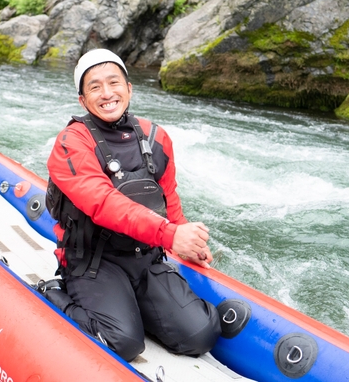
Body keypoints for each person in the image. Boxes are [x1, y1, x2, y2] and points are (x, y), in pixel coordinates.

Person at [42, 48, 221, 362]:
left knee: (200, 335)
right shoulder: (71, 143)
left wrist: (186, 243)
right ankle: (56, 292)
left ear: (129, 89)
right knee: (122, 341)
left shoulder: (156, 138)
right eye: (95, 87)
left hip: (145, 258)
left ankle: (135, 306)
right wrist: (169, 235)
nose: (107, 93)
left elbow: (169, 202)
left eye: (114, 83)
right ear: (82, 100)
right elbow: (102, 202)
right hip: (93, 263)